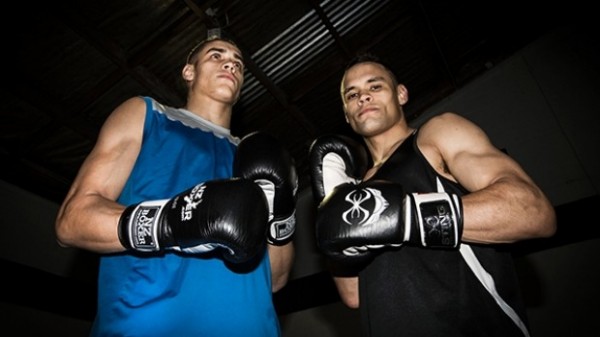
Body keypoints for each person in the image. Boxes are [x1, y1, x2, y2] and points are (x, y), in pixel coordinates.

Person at [55, 35, 296, 337]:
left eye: (238, 63)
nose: (231, 64)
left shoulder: (254, 158)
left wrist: (283, 211)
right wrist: (170, 222)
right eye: (216, 55)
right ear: (189, 72)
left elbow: (276, 278)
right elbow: (72, 221)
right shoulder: (148, 115)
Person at [308, 54, 556, 337]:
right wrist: (329, 209)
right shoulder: (354, 194)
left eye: (374, 87)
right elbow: (353, 296)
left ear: (401, 94)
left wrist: (407, 216)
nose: (362, 97)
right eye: (352, 94)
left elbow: (533, 210)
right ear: (346, 115)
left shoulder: (436, 135)